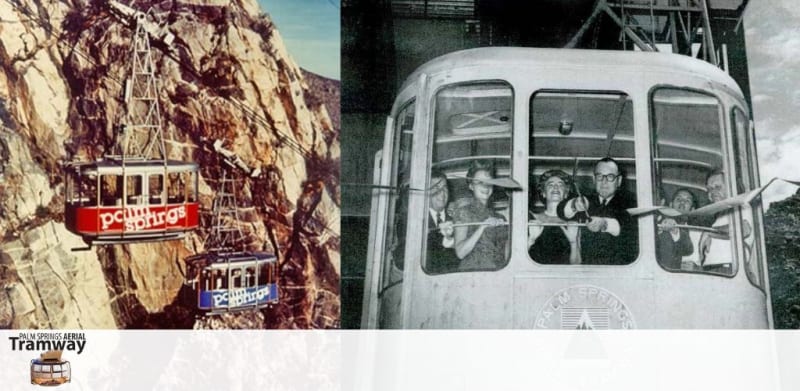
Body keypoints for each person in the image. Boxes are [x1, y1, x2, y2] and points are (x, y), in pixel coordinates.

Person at [557, 157, 638, 265]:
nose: (604, 182)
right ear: (594, 180)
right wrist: (574, 205)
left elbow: (628, 226)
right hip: (587, 271)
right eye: (599, 176)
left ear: (619, 181)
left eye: (610, 177)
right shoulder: (584, 199)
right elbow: (561, 211)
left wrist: (604, 224)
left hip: (619, 271)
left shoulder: (632, 201)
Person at [449, 160, 508, 271]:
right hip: (473, 274)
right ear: (471, 186)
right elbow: (460, 253)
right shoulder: (463, 212)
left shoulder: (500, 218)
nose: (485, 186)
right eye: (480, 182)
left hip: (498, 275)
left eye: (489, 182)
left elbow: (506, 254)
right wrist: (482, 227)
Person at [698, 170, 752, 272]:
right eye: (709, 189)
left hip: (727, 270)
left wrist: (709, 232)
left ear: (732, 187)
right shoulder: (721, 214)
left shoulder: (741, 205)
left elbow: (744, 229)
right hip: (715, 270)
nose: (712, 192)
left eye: (717, 187)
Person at [528, 170, 580, 264]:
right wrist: (530, 240)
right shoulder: (530, 219)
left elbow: (577, 266)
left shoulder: (574, 222)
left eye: (560, 185)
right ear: (543, 192)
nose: (556, 187)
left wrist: (573, 242)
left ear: (566, 194)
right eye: (550, 185)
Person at [426, 169, 459, 273]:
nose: (442, 193)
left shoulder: (458, 218)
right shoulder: (418, 220)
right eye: (436, 187)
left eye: (445, 188)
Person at [656, 188, 696, 270]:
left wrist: (696, 269)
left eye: (687, 201)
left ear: (692, 210)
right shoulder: (659, 224)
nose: (682, 202)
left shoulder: (698, 232)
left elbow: (688, 249)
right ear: (670, 205)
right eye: (678, 199)